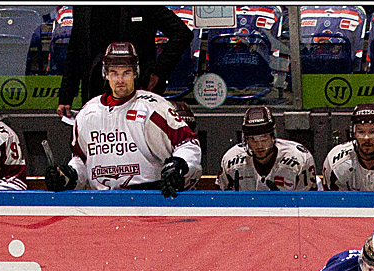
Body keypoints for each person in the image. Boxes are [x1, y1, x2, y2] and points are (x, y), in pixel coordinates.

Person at [45, 42, 201, 198]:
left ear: (135, 73)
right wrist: (68, 176)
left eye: (126, 73)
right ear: (105, 74)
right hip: (102, 201)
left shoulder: (154, 107)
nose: (120, 79)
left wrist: (179, 163)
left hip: (149, 198)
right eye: (114, 73)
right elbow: (81, 161)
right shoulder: (87, 114)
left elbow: (188, 143)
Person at [56, 6, 193, 118]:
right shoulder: (83, 7)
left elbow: (182, 33)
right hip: (95, 94)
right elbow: (75, 51)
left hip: (138, 94)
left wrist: (158, 72)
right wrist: (65, 98)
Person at [216, 106, 317, 191]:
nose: (259, 145)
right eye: (252, 139)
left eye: (264, 138)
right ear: (245, 140)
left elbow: (308, 202)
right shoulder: (231, 160)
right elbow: (220, 200)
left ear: (273, 136)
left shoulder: (300, 157)